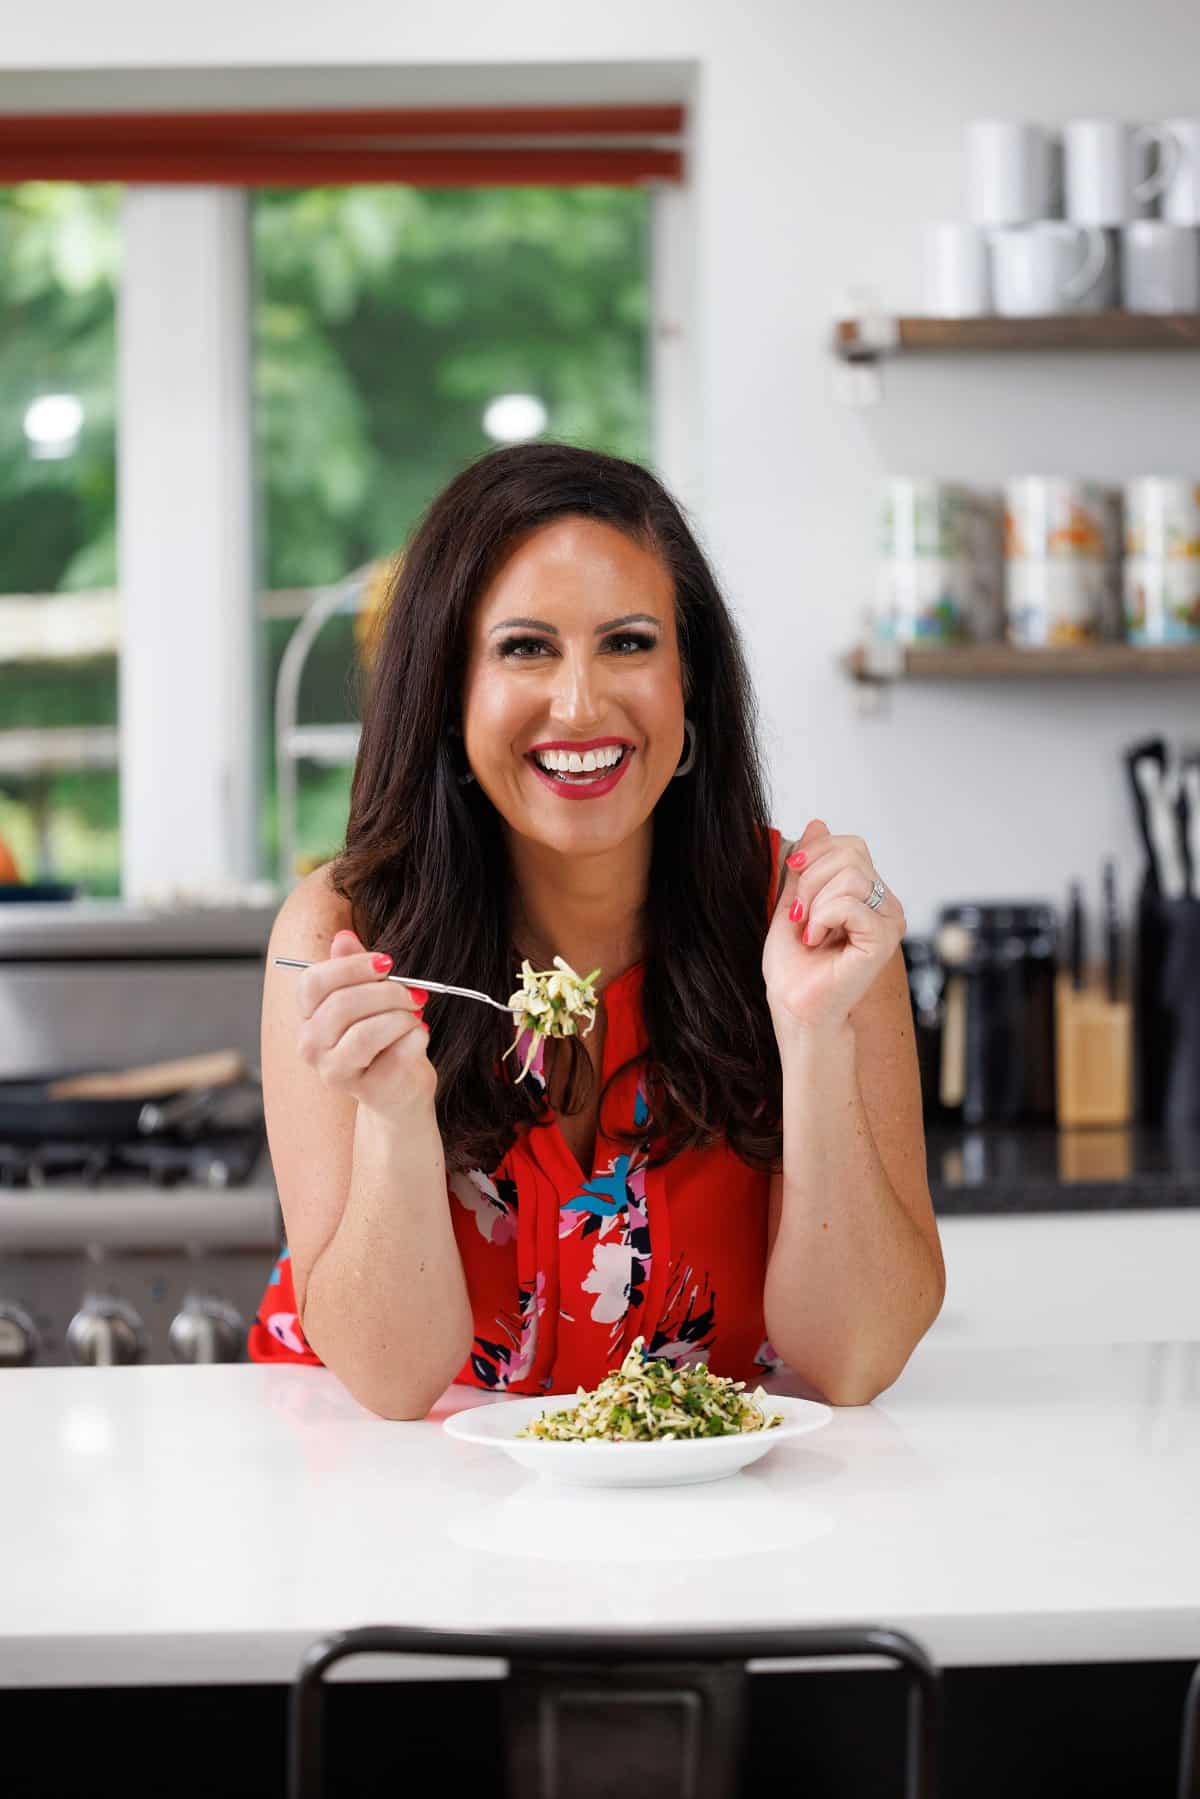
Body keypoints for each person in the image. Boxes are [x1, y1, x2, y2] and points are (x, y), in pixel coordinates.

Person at [248, 442, 945, 1418]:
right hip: (385, 1504)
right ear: (450, 694)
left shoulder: (807, 920)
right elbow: (392, 1383)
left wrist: (816, 1036)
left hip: (697, 1512)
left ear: (690, 682)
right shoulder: (339, 935)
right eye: (525, 647)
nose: (580, 704)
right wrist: (397, 1120)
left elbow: (858, 1357)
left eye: (628, 642)